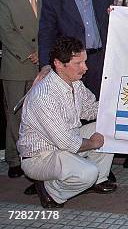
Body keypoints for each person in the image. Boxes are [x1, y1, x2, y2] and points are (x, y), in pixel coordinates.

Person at [17, 36, 116, 209]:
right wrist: (93, 142)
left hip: (65, 143)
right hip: (40, 156)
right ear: (58, 63)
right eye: (78, 63)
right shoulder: (44, 96)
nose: (85, 68)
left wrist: (114, 104)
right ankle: (50, 190)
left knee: (107, 127)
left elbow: (90, 109)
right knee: (87, 173)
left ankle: (98, 179)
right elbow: (67, 143)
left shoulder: (75, 83)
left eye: (84, 61)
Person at [38, 0, 115, 99]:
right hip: (70, 64)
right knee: (74, 110)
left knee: (103, 107)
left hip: (102, 60)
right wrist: (46, 65)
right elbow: (46, 35)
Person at [0, 0, 49, 179]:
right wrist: (30, 53)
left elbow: (53, 28)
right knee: (15, 113)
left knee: (41, 113)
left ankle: (37, 154)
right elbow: (6, 32)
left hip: (44, 65)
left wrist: (44, 53)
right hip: (17, 64)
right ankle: (13, 158)